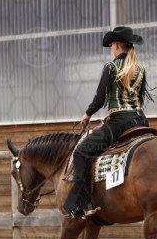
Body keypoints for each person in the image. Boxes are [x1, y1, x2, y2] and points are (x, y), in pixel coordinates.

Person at [64, 26, 151, 219]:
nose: (111, 48)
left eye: (111, 45)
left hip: (119, 123)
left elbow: (100, 98)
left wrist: (87, 114)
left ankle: (83, 203)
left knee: (81, 152)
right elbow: (141, 99)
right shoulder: (141, 69)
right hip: (141, 122)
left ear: (117, 46)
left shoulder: (111, 67)